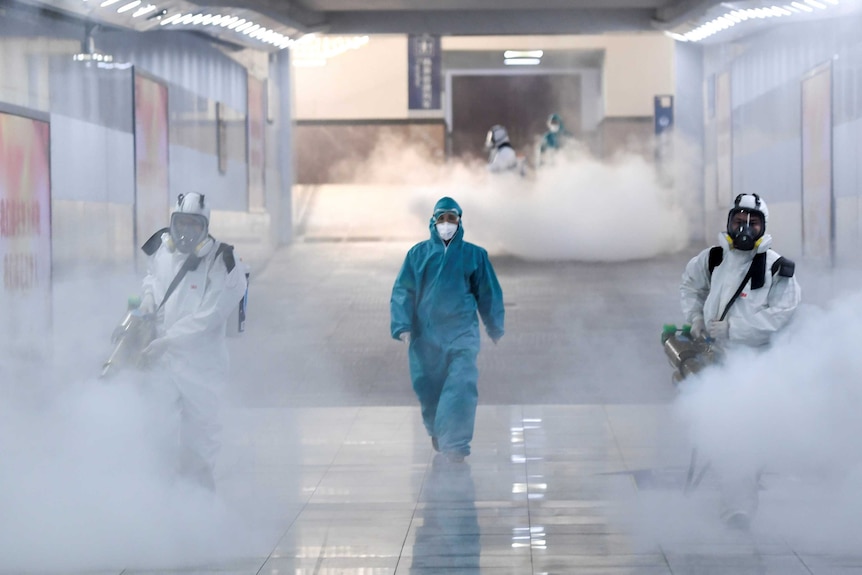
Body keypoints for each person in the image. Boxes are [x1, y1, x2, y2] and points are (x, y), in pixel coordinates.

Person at [679, 193, 801, 530]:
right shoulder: (713, 259)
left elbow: (782, 315)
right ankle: (733, 501)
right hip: (715, 361)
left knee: (745, 432)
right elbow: (690, 286)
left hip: (755, 367)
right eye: (738, 220)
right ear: (729, 222)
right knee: (722, 430)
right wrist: (695, 320)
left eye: (753, 222)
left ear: (764, 227)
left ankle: (738, 506)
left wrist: (734, 330)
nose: (744, 228)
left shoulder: (777, 268)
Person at [138, 192, 248, 490]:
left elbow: (209, 317)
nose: (185, 232)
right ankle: (162, 506)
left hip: (202, 368)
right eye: (180, 224)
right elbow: (152, 277)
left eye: (193, 225)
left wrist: (168, 340)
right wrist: (148, 298)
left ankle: (200, 514)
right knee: (157, 435)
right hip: (164, 362)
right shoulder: (164, 251)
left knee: (201, 443)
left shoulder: (224, 264)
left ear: (205, 227)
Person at [390, 197, 505, 463]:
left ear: (460, 221)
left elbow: (488, 292)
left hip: (461, 333)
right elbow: (403, 291)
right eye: (441, 219)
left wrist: (494, 325)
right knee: (429, 389)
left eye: (451, 219)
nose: (446, 224)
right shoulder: (417, 255)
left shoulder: (474, 255)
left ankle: (455, 444)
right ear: (433, 222)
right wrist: (402, 325)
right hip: (425, 336)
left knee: (462, 384)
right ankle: (437, 429)